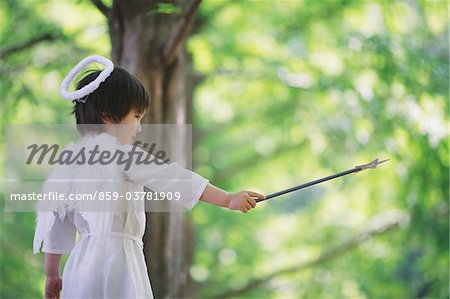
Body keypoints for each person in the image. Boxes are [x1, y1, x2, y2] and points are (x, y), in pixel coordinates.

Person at [33, 55, 265, 299]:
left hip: (80, 267)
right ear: (108, 116)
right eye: (136, 117)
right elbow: (172, 178)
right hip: (117, 262)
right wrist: (227, 199)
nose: (139, 128)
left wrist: (52, 274)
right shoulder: (123, 155)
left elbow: (56, 221)